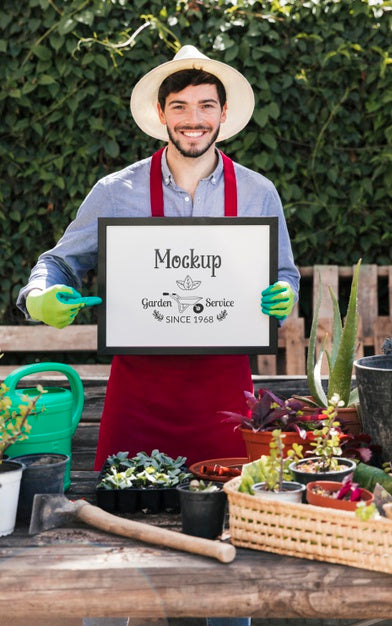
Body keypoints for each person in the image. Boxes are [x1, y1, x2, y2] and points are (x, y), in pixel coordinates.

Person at [17, 45, 300, 626]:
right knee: (119, 561)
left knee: (226, 560)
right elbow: (57, 263)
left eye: (205, 106)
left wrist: (283, 294)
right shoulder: (115, 190)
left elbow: (285, 272)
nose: (192, 118)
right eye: (179, 107)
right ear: (160, 113)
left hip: (223, 400)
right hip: (138, 395)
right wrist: (41, 297)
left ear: (223, 115)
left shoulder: (257, 192)